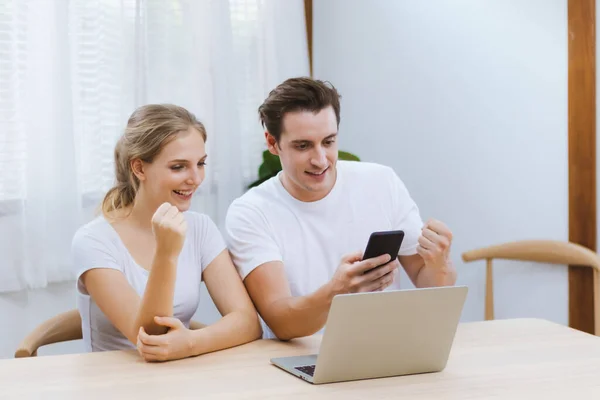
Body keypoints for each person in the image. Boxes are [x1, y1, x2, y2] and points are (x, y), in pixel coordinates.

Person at [225, 77, 457, 340]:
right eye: (303, 146)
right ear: (272, 143)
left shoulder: (381, 182)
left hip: (386, 349)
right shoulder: (251, 212)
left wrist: (439, 263)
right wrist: (336, 291)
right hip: (302, 360)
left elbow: (431, 286)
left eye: (328, 141)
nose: (320, 160)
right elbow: (282, 322)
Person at [72, 104, 262, 361]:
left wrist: (191, 342)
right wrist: (166, 253)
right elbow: (152, 338)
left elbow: (248, 323)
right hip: (115, 386)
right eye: (178, 167)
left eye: (201, 163)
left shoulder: (201, 228)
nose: (195, 178)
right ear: (139, 169)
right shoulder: (93, 241)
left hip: (180, 378)